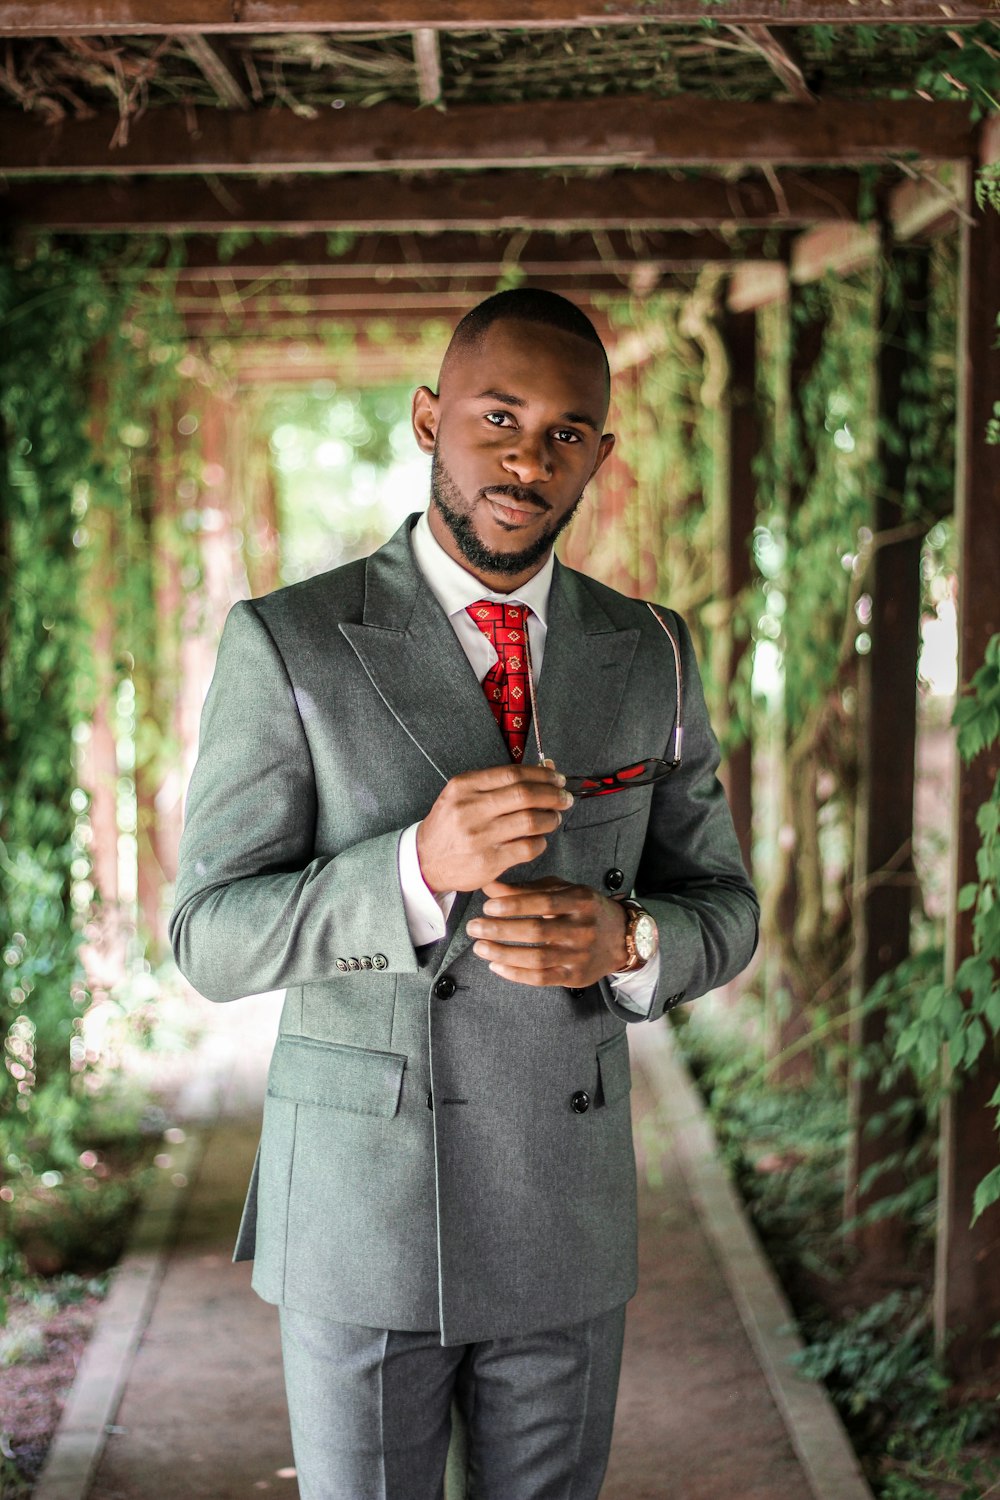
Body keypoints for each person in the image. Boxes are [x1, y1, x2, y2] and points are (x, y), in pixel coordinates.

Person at [170, 287, 759, 1500]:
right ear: (429, 418)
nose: (525, 458)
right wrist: (408, 873)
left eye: (563, 433)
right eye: (498, 415)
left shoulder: (650, 650)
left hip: (566, 1205)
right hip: (362, 1212)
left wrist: (630, 937)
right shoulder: (290, 642)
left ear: (600, 454)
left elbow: (723, 906)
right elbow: (208, 939)